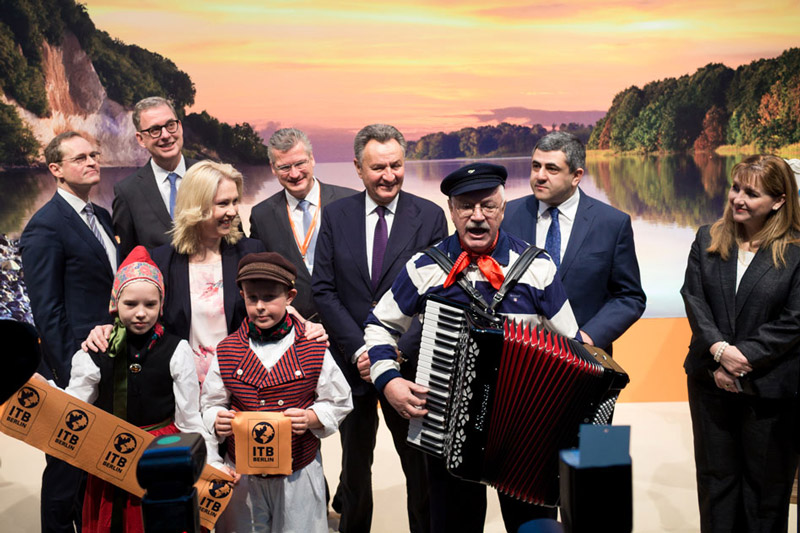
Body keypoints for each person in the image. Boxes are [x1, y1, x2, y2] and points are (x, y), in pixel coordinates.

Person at [363, 162, 581, 533]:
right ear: (451, 210)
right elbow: (379, 326)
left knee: (534, 528)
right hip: (447, 429)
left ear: (503, 208)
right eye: (466, 206)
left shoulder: (537, 267)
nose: (477, 217)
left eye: (488, 206)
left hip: (525, 432)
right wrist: (390, 382)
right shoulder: (426, 267)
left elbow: (571, 345)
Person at [312, 124, 447, 532]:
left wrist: (391, 353)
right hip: (352, 368)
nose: (389, 175)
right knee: (354, 472)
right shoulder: (336, 215)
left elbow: (438, 299)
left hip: (409, 371)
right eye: (378, 167)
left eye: (396, 165)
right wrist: (361, 351)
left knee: (420, 473)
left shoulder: (430, 217)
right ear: (357, 167)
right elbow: (324, 289)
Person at [49, 246, 215, 533]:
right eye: (131, 304)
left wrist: (212, 464)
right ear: (116, 303)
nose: (141, 313)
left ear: (161, 305)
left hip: (161, 456)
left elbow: (189, 418)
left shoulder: (177, 350)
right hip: (110, 455)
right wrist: (42, 388)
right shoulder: (96, 351)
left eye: (150, 305)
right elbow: (73, 405)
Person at [681, 154, 800, 533]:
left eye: (752, 193)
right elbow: (694, 299)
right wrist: (719, 351)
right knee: (716, 484)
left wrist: (742, 358)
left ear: (779, 201)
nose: (738, 199)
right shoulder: (706, 238)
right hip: (708, 382)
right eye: (736, 188)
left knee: (765, 492)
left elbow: (793, 321)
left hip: (770, 389)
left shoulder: (796, 251)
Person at [200, 252, 352, 533]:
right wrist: (215, 418)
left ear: (290, 296)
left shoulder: (313, 346)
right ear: (242, 295)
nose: (259, 307)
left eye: (269, 297)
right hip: (243, 475)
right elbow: (210, 403)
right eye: (251, 298)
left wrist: (311, 417)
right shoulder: (227, 349)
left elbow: (340, 401)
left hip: (298, 472)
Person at [20, 131, 118, 533]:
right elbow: (47, 310)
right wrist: (68, 376)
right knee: (65, 470)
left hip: (108, 361)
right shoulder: (44, 226)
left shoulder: (103, 217)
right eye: (80, 157)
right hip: (74, 370)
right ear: (56, 170)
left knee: (96, 468)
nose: (92, 161)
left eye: (94, 154)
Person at [502, 131, 645, 352]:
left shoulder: (612, 223)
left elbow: (629, 296)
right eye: (535, 166)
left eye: (552, 169)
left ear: (576, 176)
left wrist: (589, 337)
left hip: (584, 364)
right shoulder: (506, 216)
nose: (539, 176)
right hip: (516, 360)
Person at [249, 128, 356, 319]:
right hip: (294, 327)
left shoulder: (350, 201)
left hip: (349, 322)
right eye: (284, 167)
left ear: (312, 159)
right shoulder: (261, 215)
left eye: (300, 163)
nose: (294, 173)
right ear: (273, 168)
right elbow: (260, 279)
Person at [113, 96, 197, 259]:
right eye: (155, 130)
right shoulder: (127, 192)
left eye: (170, 125)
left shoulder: (211, 175)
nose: (165, 135)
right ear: (141, 139)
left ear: (179, 127)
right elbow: (127, 258)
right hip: (159, 283)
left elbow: (234, 239)